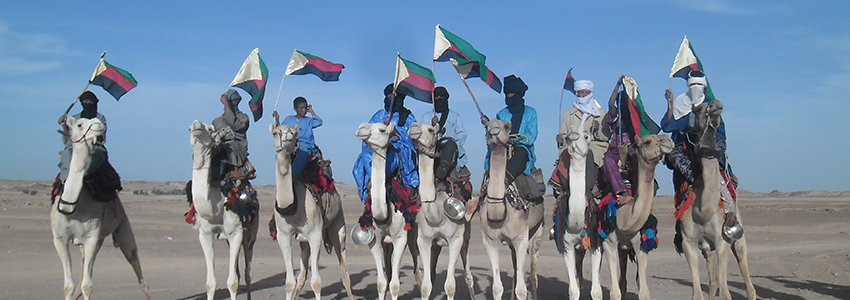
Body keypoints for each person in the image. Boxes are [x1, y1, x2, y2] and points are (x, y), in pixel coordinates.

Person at [661, 70, 739, 226]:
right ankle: (682, 220)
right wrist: (670, 103)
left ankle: (731, 215)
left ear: (704, 87)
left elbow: (721, 134)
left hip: (708, 148)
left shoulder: (712, 108)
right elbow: (669, 126)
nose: (695, 88)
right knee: (676, 160)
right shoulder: (681, 105)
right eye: (692, 85)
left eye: (699, 85)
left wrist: (716, 149)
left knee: (720, 177)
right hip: (686, 150)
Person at [352, 84, 419, 230]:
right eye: (390, 96)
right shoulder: (378, 115)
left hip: (398, 148)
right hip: (377, 149)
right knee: (360, 163)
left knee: (395, 158)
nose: (392, 99)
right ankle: (371, 184)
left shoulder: (407, 116)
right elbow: (368, 134)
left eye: (396, 96)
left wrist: (395, 133)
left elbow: (411, 136)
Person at [554, 79, 611, 201]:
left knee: (589, 153)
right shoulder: (569, 114)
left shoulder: (601, 114)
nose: (583, 95)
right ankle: (564, 188)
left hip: (594, 145)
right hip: (573, 146)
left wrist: (597, 131)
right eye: (580, 93)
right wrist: (560, 139)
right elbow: (564, 135)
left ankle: (587, 191)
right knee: (565, 155)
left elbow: (606, 137)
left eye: (585, 92)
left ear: (591, 93)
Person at [484, 75, 538, 196]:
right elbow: (493, 135)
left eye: (512, 94)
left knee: (521, 153)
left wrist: (514, 139)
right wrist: (488, 125)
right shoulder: (501, 114)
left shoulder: (530, 113)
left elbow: (531, 136)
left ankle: (504, 182)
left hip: (522, 149)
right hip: (501, 149)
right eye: (507, 94)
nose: (509, 97)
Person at [421, 86, 472, 200]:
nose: (439, 99)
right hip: (431, 150)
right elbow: (422, 135)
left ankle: (440, 176)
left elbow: (461, 135)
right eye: (437, 97)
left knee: (450, 145)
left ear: (446, 99)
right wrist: (432, 125)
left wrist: (448, 139)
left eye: (441, 97)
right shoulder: (427, 117)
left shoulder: (455, 117)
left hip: (450, 150)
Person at [57, 91, 108, 183]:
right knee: (65, 154)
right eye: (86, 101)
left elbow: (101, 137)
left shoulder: (99, 118)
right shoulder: (75, 118)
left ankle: (83, 176)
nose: (88, 104)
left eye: (90, 102)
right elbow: (68, 138)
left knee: (97, 155)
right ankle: (65, 180)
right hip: (75, 146)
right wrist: (64, 125)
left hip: (93, 146)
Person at [273, 96, 324, 178]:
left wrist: (312, 111)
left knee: (301, 152)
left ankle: (293, 177)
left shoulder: (309, 121)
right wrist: (277, 120)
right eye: (301, 108)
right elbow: (281, 130)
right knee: (280, 152)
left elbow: (319, 122)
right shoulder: (289, 119)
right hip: (292, 143)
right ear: (295, 109)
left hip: (306, 145)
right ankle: (282, 174)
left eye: (305, 108)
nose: (304, 110)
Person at [212, 89, 255, 183]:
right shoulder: (217, 121)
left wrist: (227, 104)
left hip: (236, 148)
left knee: (225, 149)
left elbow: (235, 125)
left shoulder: (243, 118)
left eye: (230, 101)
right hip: (218, 146)